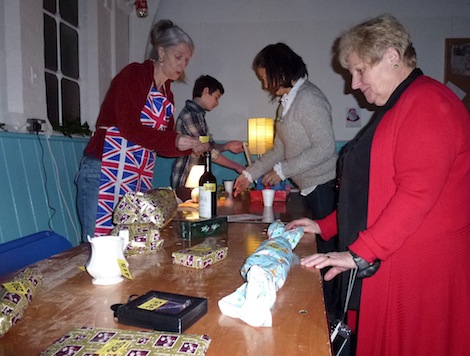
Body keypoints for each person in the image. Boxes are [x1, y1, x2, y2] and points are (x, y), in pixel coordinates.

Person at [286, 14, 470, 356]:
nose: (353, 84)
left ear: (391, 56)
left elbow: (415, 195)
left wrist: (359, 252)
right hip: (396, 258)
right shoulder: (402, 104)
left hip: (420, 272)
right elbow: (373, 192)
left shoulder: (430, 103)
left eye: (359, 71)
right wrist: (325, 225)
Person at [233, 42, 340, 321]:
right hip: (309, 188)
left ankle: (328, 318)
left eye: (264, 76)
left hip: (324, 188)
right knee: (314, 256)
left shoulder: (309, 99)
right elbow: (278, 149)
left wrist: (283, 170)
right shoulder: (287, 102)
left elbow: (325, 148)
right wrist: (249, 174)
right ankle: (319, 313)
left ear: (279, 70)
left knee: (324, 259)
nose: (264, 84)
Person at [75, 19, 209, 241]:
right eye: (178, 57)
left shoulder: (168, 95)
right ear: (162, 52)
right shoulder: (134, 75)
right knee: (98, 245)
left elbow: (163, 142)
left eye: (186, 61)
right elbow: (128, 128)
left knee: (128, 243)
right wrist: (175, 141)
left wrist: (189, 149)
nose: (182, 65)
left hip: (134, 178)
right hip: (104, 170)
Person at [171, 75, 245, 189]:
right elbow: (207, 150)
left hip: (194, 179)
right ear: (206, 91)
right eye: (216, 97)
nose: (217, 103)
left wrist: (227, 146)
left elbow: (209, 146)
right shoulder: (191, 114)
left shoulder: (198, 115)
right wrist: (237, 167)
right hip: (186, 180)